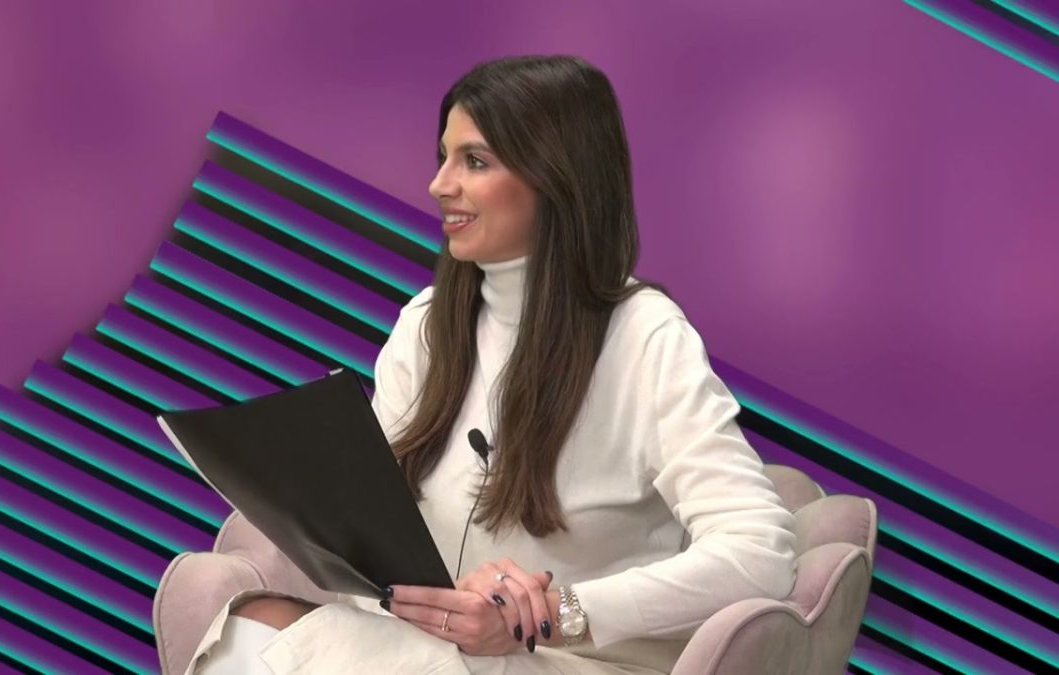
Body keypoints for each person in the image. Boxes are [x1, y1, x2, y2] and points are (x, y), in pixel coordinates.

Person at [189, 54, 797, 674]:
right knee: (248, 622)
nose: (439, 185)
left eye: (474, 162)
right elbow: (376, 539)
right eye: (443, 158)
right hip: (433, 651)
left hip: (566, 663)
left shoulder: (646, 336)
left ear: (556, 176)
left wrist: (554, 612)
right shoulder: (426, 324)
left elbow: (761, 553)